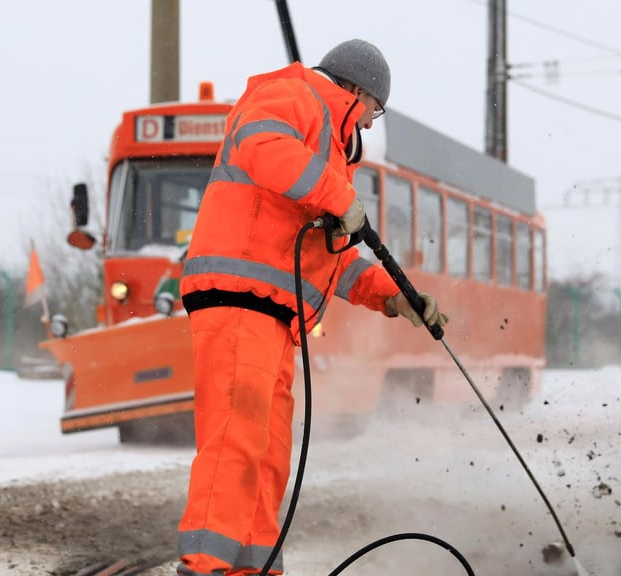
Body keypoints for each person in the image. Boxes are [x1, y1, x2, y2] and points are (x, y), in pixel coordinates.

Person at [174, 39, 449, 576]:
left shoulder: (326, 154)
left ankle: (253, 567)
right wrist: (339, 197)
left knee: (268, 453)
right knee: (236, 438)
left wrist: (395, 297)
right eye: (375, 110)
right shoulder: (295, 96)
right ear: (357, 90)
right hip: (239, 299)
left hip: (272, 314)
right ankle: (205, 566)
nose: (370, 125)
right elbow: (260, 143)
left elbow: (327, 261)